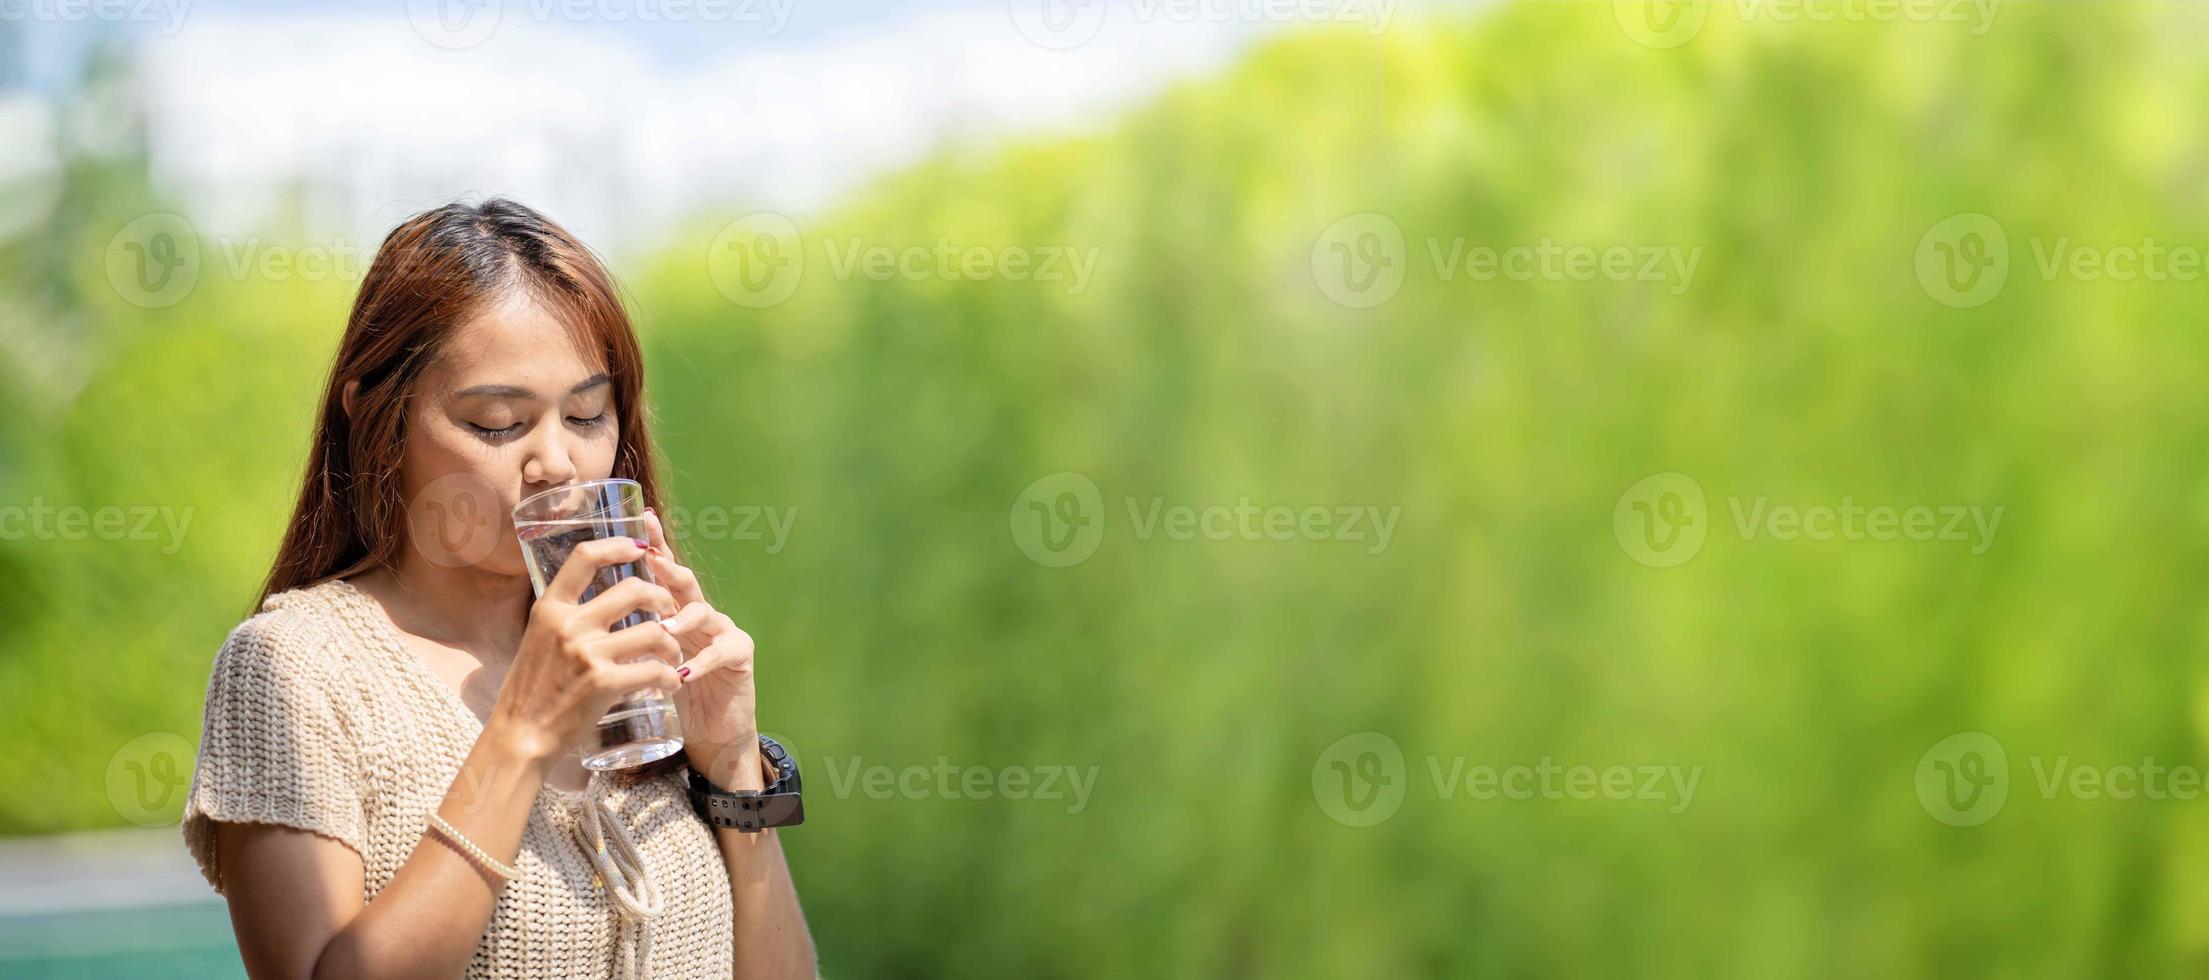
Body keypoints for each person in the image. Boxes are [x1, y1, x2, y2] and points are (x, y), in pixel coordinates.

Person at [179, 198, 816, 979]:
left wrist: (733, 768)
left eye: (587, 415)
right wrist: (520, 735)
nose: (557, 463)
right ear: (375, 419)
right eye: (496, 424)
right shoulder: (294, 670)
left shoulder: (642, 665)